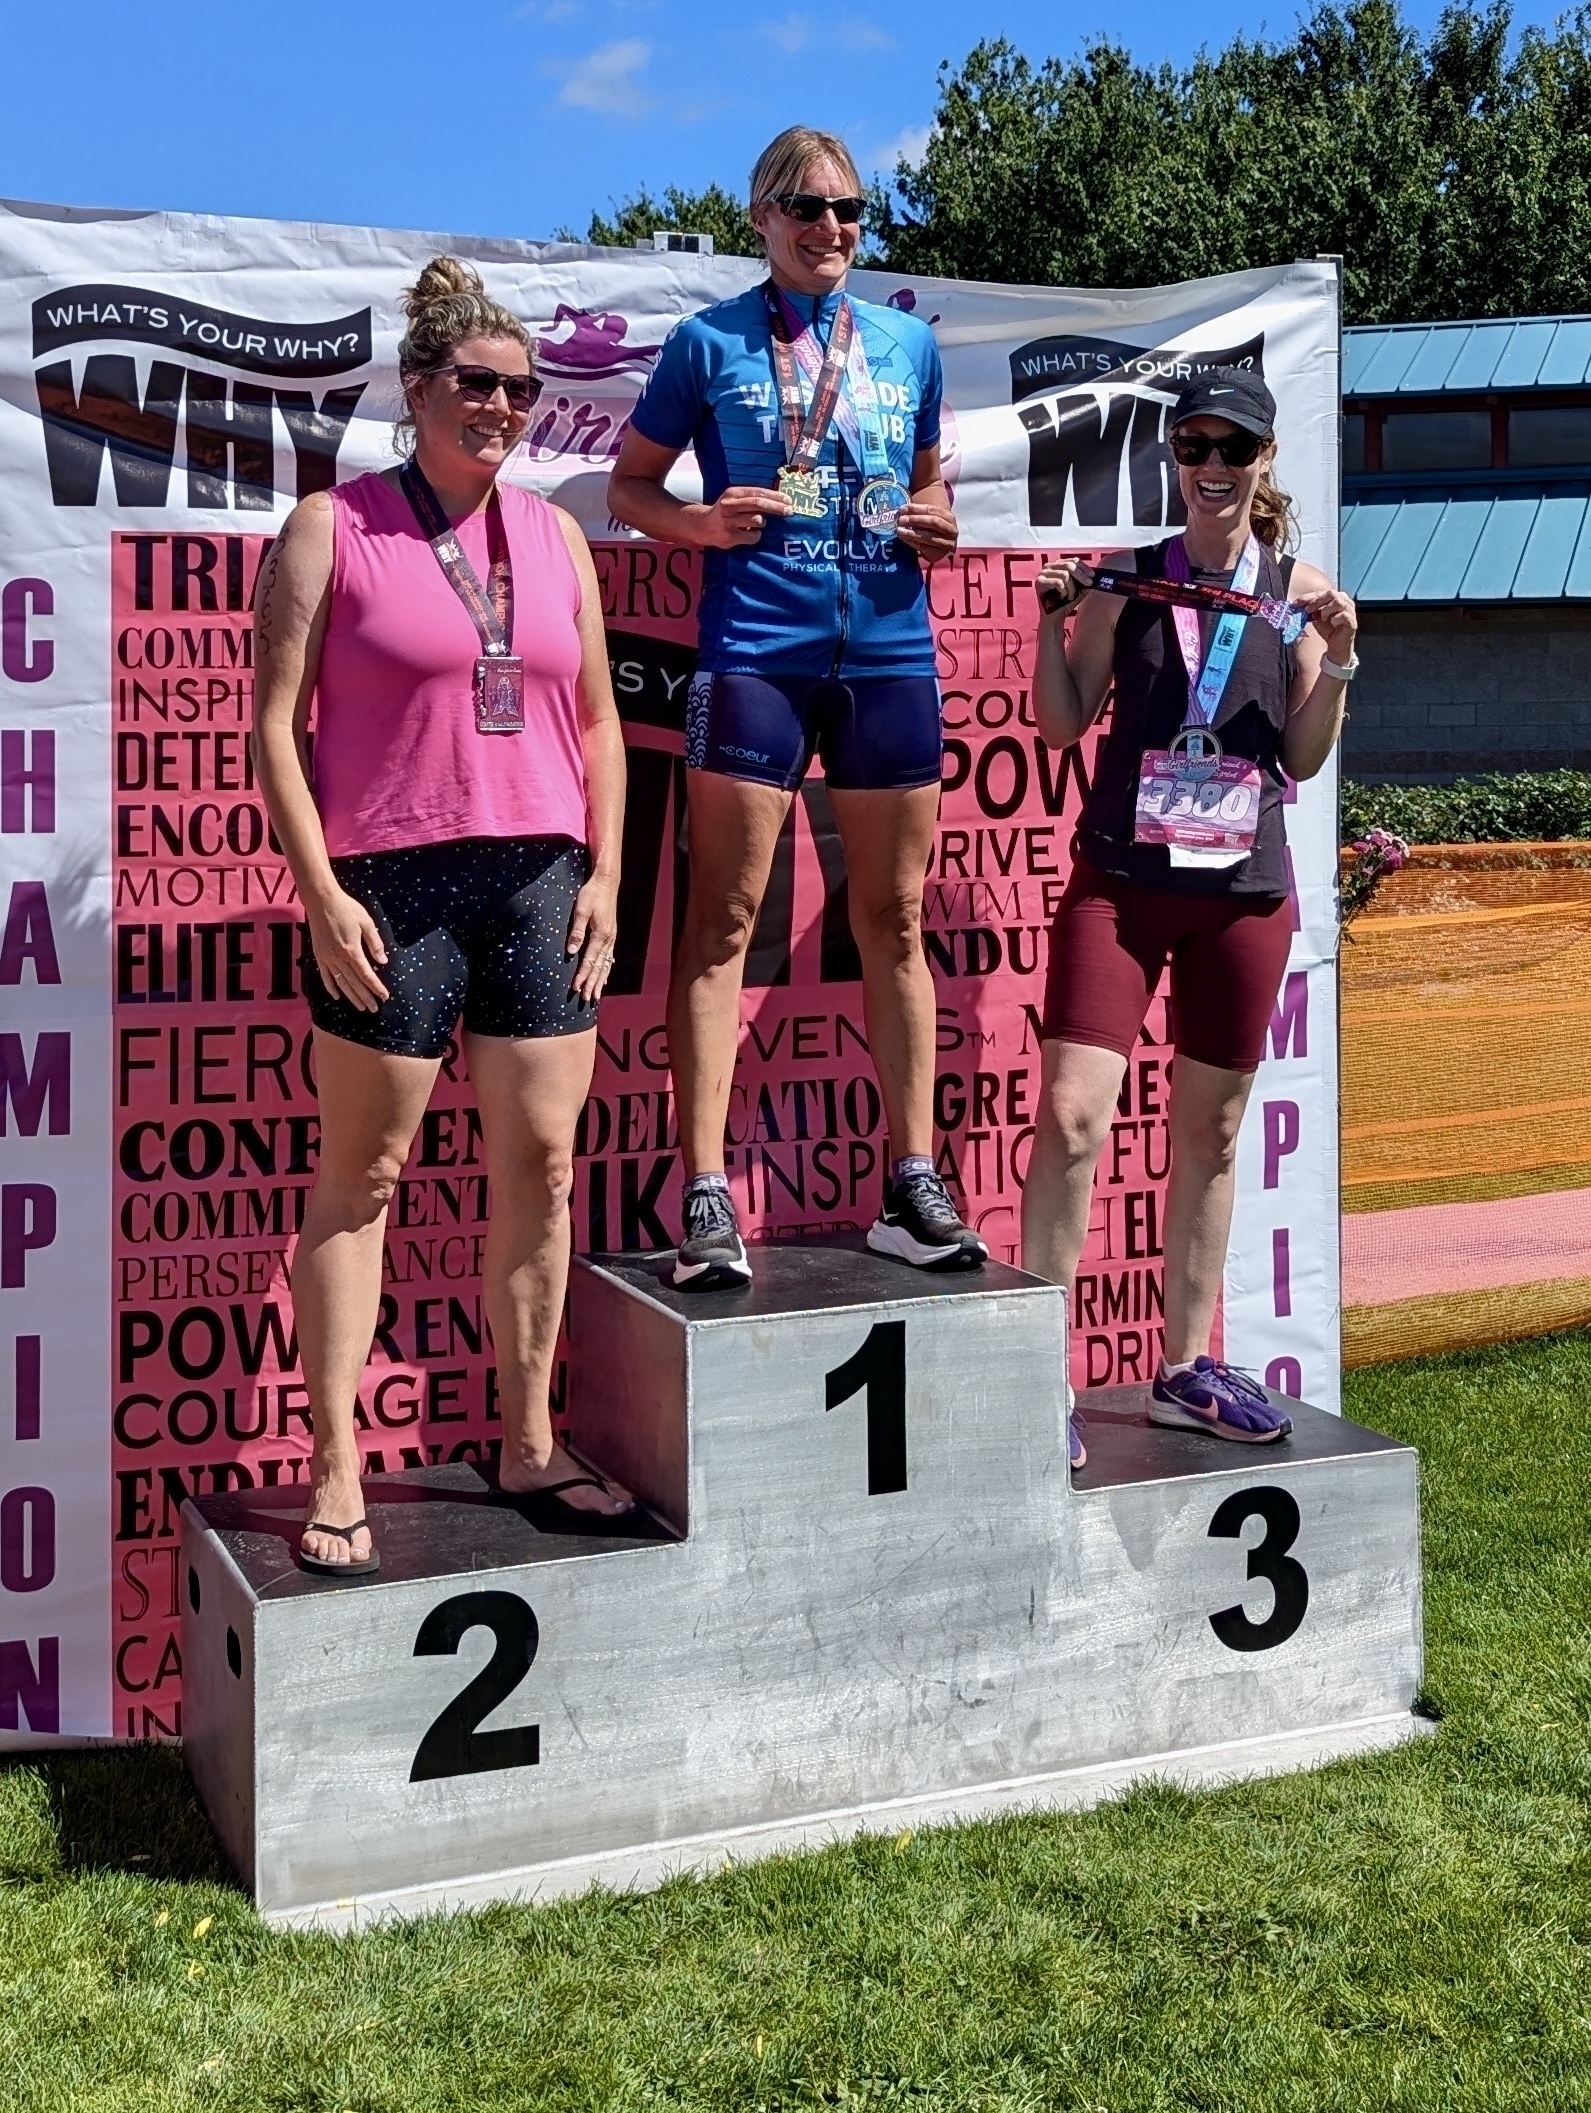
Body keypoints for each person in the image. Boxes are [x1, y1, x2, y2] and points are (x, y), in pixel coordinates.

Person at [253, 257, 631, 1573]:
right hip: (390, 886)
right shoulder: (332, 526)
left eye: (521, 390)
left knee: (541, 1166)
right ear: (416, 390)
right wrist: (316, 889)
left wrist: (604, 872)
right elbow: (273, 728)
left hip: (536, 876)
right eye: (475, 382)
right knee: (363, 1180)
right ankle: (338, 1468)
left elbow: (595, 721)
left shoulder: (555, 535)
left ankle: (527, 1439)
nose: (501, 406)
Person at [607, 125, 987, 1290]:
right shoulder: (707, 342)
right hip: (757, 652)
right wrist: (696, 523)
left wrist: (938, 523)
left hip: (887, 651)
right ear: (764, 216)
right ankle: (707, 1188)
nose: (832, 231)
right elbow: (629, 483)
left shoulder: (908, 345)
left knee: (896, 920)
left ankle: (912, 1180)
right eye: (809, 209)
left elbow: (928, 487)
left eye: (852, 213)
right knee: (723, 923)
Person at [1023, 367, 1357, 1468]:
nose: (1211, 468)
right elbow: (1064, 725)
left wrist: (1341, 656)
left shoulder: (1296, 591)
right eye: (1193, 448)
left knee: (1210, 1134)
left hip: (1243, 896)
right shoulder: (1128, 582)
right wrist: (1051, 627)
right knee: (1074, 1118)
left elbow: (1302, 756)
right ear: (1173, 459)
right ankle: (1033, 1378)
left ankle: (1180, 1368)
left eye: (1232, 450)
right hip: (1122, 884)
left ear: (1263, 462)